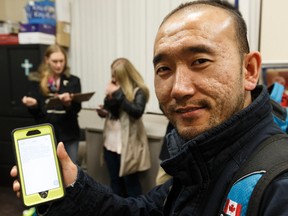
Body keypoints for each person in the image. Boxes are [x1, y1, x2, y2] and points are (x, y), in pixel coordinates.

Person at [11, 1, 288, 215]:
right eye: (164, 68)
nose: (179, 88)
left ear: (250, 70)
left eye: (200, 61)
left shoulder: (277, 187)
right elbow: (142, 211)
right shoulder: (198, 163)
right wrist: (73, 186)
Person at [96, 58, 150, 197]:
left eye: (116, 75)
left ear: (125, 75)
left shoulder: (139, 91)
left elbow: (137, 112)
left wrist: (118, 94)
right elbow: (112, 112)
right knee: (115, 182)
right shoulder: (114, 87)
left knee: (131, 184)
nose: (113, 78)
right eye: (112, 74)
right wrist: (104, 110)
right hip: (110, 143)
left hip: (128, 146)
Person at [21, 44, 82, 164]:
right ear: (47, 60)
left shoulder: (73, 81)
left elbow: (77, 108)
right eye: (55, 61)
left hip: (68, 133)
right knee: (48, 171)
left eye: (61, 61)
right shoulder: (37, 81)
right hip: (45, 133)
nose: (59, 65)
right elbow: (35, 113)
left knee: (71, 173)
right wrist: (33, 105)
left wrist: (68, 104)